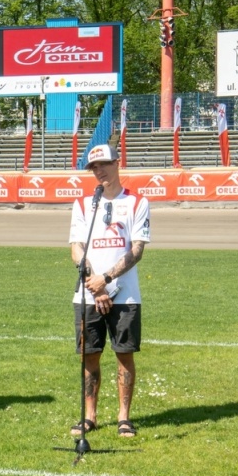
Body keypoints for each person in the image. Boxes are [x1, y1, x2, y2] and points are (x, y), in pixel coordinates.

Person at [68, 144, 150, 438]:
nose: (98, 171)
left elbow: (137, 250)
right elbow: (76, 248)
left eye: (103, 164)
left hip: (125, 296)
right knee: (90, 355)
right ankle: (89, 416)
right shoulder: (82, 205)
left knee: (124, 355)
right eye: (93, 167)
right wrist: (95, 283)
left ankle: (123, 417)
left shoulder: (138, 202)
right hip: (88, 294)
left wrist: (107, 278)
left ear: (117, 163)